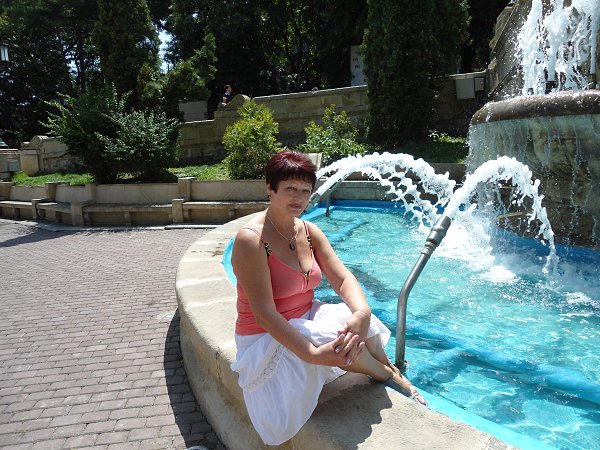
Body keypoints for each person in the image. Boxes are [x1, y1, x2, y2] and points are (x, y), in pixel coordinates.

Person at [230, 151, 426, 446]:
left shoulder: (308, 231)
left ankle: (384, 364)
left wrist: (362, 312)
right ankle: (387, 375)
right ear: (270, 188)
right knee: (333, 336)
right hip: (264, 338)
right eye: (290, 189)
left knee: (352, 318)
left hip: (304, 317)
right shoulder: (251, 239)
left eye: (305, 190)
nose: (298, 198)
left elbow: (343, 278)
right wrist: (312, 354)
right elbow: (264, 314)